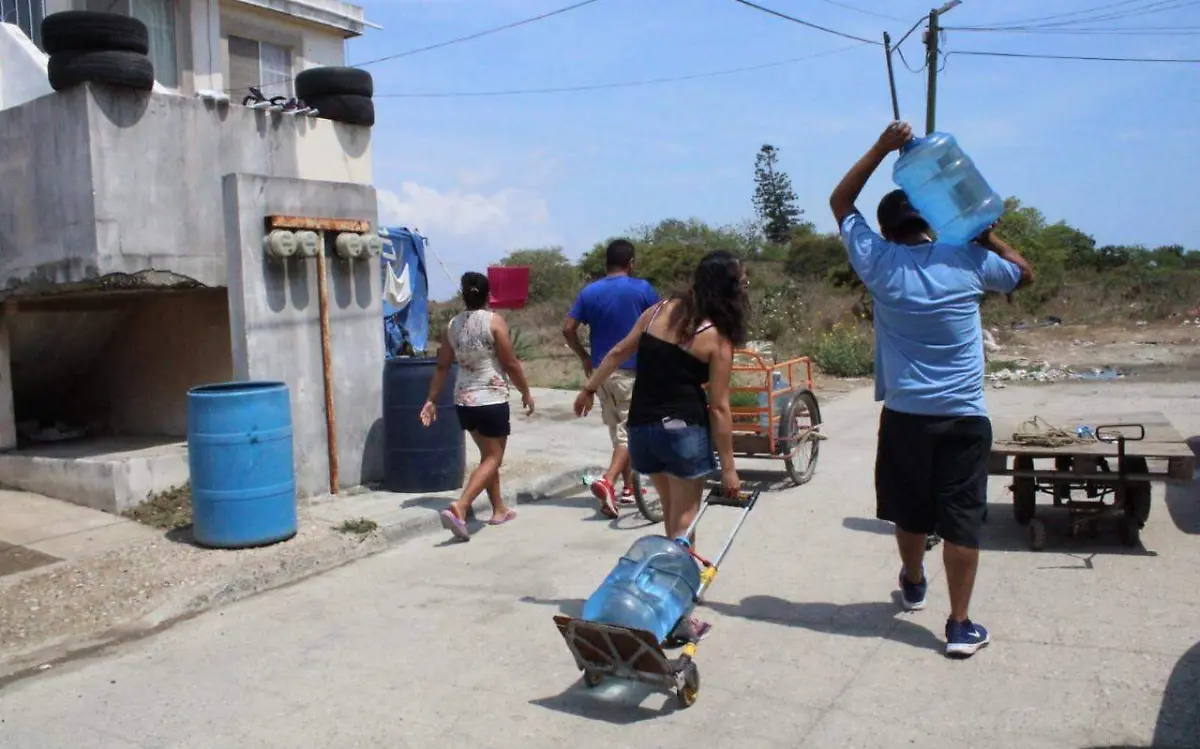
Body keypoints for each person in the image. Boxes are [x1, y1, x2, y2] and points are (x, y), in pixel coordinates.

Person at [830, 121, 1034, 658]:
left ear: (886, 228)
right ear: (931, 218)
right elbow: (1023, 274)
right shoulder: (966, 259)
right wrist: (980, 229)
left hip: (906, 416)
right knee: (963, 516)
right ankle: (960, 625)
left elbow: (839, 200)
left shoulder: (877, 264)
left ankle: (914, 578)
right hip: (965, 417)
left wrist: (880, 147)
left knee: (910, 510)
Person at [574, 250, 749, 641]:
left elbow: (618, 351)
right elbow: (719, 407)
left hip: (642, 432)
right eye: (742, 281)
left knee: (673, 520)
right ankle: (675, 617)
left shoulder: (658, 311)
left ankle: (656, 600)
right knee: (683, 528)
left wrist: (588, 387)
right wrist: (730, 468)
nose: (746, 287)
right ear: (727, 289)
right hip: (683, 433)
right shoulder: (716, 336)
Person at [420, 272, 536, 542]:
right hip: (491, 399)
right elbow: (510, 363)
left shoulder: (452, 325)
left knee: (487, 454)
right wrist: (526, 392)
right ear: (488, 294)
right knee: (494, 457)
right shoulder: (494, 322)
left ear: (464, 295)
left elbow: (442, 365)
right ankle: (460, 508)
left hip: (463, 401)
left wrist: (432, 399)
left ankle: (499, 509)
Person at [563, 239, 660, 517]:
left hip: (601, 374)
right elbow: (661, 325)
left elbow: (568, 328)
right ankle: (609, 480)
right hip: (632, 372)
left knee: (618, 431)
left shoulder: (590, 292)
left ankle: (629, 489)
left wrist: (584, 356)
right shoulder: (643, 289)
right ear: (631, 262)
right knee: (630, 434)